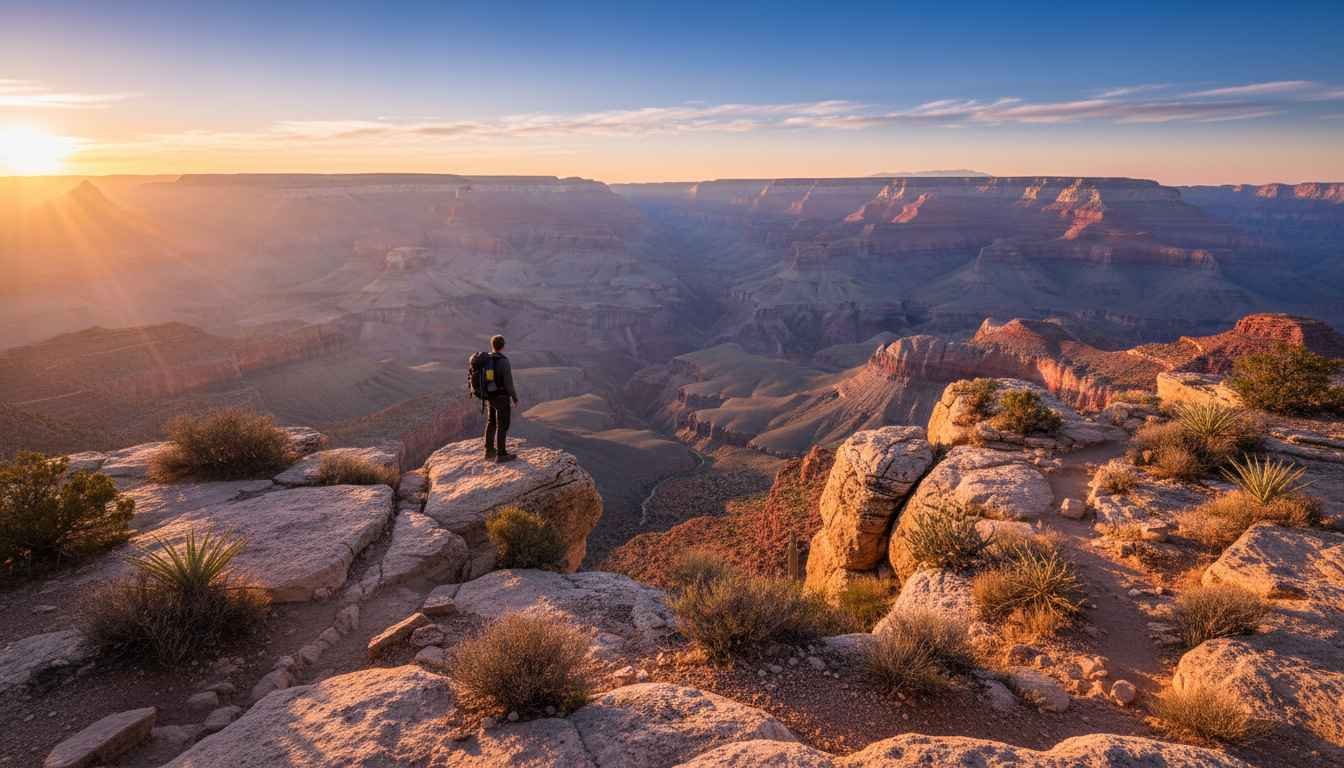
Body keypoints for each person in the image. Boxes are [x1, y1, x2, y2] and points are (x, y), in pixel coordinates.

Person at [483, 334, 519, 462]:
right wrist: (514, 397)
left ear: (492, 345)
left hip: (490, 396)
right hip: (502, 397)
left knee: (491, 422)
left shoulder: (487, 360)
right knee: (502, 425)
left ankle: (489, 451)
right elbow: (508, 383)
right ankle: (501, 454)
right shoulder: (504, 361)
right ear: (503, 346)